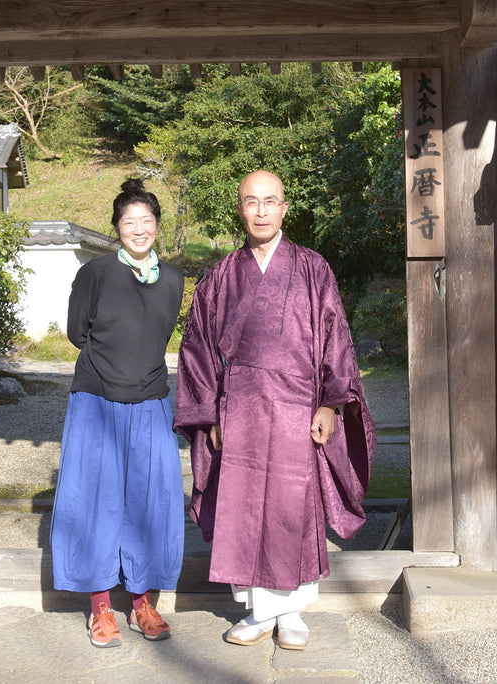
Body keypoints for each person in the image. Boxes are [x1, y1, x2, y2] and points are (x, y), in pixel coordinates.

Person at [174, 169, 375, 651]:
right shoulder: (219, 277)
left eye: (270, 201)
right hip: (239, 409)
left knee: (292, 507)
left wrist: (330, 402)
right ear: (239, 208)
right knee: (244, 507)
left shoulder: (312, 268)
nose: (261, 210)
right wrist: (210, 414)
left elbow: (335, 335)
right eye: (251, 201)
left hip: (297, 410)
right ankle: (260, 613)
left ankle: (292, 613)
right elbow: (197, 349)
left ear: (285, 208)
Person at [49, 179, 185, 648]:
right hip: (97, 400)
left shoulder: (172, 279)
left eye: (147, 221)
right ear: (117, 228)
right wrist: (110, 367)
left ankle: (143, 603)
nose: (139, 229)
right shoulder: (97, 273)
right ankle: (101, 608)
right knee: (95, 502)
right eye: (130, 222)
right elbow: (76, 331)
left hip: (150, 400)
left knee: (150, 503)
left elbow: (162, 333)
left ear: (157, 227)